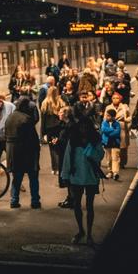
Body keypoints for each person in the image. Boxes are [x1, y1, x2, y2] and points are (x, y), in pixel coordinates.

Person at [61, 103, 104, 247]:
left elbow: (100, 155)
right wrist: (65, 175)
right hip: (77, 175)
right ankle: (81, 230)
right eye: (82, 126)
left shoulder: (95, 140)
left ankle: (88, 233)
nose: (84, 129)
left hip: (89, 175)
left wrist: (90, 150)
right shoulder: (74, 140)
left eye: (86, 126)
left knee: (89, 206)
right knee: (77, 204)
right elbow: (67, 158)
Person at [5, 96, 41, 209]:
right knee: (33, 176)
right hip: (27, 152)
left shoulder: (10, 117)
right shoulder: (27, 119)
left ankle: (14, 200)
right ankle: (35, 201)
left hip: (13, 152)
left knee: (16, 178)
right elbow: (32, 139)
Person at [40, 86, 65, 174]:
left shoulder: (45, 103)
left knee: (52, 148)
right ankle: (60, 167)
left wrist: (42, 133)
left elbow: (43, 119)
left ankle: (55, 168)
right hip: (59, 128)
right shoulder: (60, 102)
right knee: (59, 147)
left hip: (49, 129)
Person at [106, 91, 132, 170]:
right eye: (113, 98)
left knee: (123, 148)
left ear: (120, 99)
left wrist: (126, 122)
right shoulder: (108, 107)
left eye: (117, 98)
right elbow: (105, 118)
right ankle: (111, 165)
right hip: (112, 129)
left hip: (122, 129)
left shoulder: (124, 107)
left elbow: (130, 117)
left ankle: (122, 163)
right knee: (111, 148)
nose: (115, 99)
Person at [100, 107, 122, 180]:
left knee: (115, 158)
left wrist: (109, 133)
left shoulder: (117, 123)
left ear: (113, 117)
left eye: (108, 115)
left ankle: (115, 172)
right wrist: (112, 130)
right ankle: (110, 171)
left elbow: (117, 132)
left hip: (115, 143)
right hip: (107, 142)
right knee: (108, 158)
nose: (107, 117)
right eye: (106, 115)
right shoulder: (104, 123)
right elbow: (104, 130)